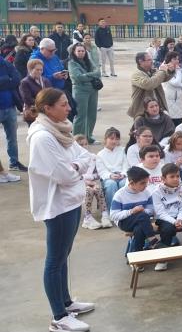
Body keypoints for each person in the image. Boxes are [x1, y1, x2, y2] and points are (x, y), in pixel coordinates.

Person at [27, 88, 96, 332]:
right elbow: (63, 175)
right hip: (57, 206)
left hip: (71, 200)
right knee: (55, 260)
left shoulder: (62, 129)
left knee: (64, 254)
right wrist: (77, 167)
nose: (69, 108)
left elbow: (86, 156)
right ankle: (59, 317)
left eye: (68, 103)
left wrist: (74, 165)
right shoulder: (42, 137)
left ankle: (66, 302)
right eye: (63, 104)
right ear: (48, 108)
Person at [66, 43, 101, 143]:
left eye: (82, 51)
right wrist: (92, 75)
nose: (81, 53)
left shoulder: (88, 61)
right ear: (74, 52)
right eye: (79, 51)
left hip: (93, 90)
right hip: (80, 91)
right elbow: (79, 77)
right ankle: (77, 139)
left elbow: (98, 72)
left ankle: (88, 137)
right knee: (81, 115)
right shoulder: (72, 63)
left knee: (92, 115)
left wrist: (87, 75)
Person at [128, 51, 171, 119]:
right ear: (140, 62)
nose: (152, 61)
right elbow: (149, 84)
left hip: (157, 108)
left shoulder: (152, 71)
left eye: (151, 59)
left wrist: (171, 70)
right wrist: (162, 71)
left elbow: (164, 78)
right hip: (142, 111)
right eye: (149, 60)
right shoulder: (136, 75)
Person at [19, 59, 52, 126]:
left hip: (46, 111)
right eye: (37, 70)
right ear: (30, 70)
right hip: (33, 112)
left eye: (41, 70)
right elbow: (27, 99)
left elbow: (51, 94)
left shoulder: (45, 81)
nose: (39, 72)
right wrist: (43, 104)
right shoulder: (25, 82)